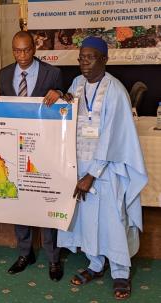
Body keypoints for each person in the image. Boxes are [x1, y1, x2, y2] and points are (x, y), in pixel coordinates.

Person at [58, 36, 148, 300]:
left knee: (112, 221)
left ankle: (120, 272)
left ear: (104, 60)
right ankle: (95, 264)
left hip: (107, 170)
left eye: (90, 57)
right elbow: (71, 115)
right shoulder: (76, 84)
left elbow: (111, 137)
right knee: (87, 220)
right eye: (81, 58)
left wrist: (91, 174)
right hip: (80, 167)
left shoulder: (116, 91)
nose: (84, 63)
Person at [0, 31, 65, 281]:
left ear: (34, 48)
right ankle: (25, 252)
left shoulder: (52, 73)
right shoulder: (4, 74)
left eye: (26, 50)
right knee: (18, 201)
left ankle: (53, 258)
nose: (21, 56)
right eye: (16, 51)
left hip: (44, 150)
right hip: (15, 150)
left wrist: (61, 95)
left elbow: (67, 105)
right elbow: (2, 108)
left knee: (45, 202)